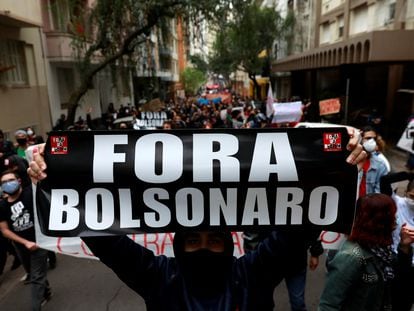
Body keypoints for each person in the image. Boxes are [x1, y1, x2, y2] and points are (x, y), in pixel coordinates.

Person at [28, 128, 365, 310]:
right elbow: (107, 241)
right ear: (178, 243)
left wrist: (337, 167)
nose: (204, 247)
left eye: (214, 240)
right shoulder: (159, 277)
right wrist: (55, 178)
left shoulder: (250, 275)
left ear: (228, 244)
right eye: (193, 240)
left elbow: (295, 230)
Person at [318, 194, 414, 311]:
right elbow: (328, 305)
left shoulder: (381, 250)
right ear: (379, 222)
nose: (396, 219)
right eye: (392, 215)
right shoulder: (351, 257)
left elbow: (400, 281)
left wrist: (404, 247)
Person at [0, 170, 52, 310]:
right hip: (21, 246)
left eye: (10, 180)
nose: (7, 184)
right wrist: (25, 243)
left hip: (39, 242)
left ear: (19, 181)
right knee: (33, 272)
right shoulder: (2, 206)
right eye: (4, 182)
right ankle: (46, 290)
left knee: (36, 277)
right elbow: (4, 230)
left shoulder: (31, 193)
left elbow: (39, 180)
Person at [380, 171, 414, 310]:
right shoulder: (397, 203)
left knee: (405, 303)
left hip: (412, 269)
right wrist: (408, 174)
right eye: (412, 196)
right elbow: (384, 181)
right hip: (394, 260)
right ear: (406, 192)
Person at [359, 126, 389, 196]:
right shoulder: (351, 160)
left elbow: (379, 192)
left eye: (374, 139)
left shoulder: (380, 165)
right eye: (368, 138)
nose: (372, 141)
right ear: (360, 139)